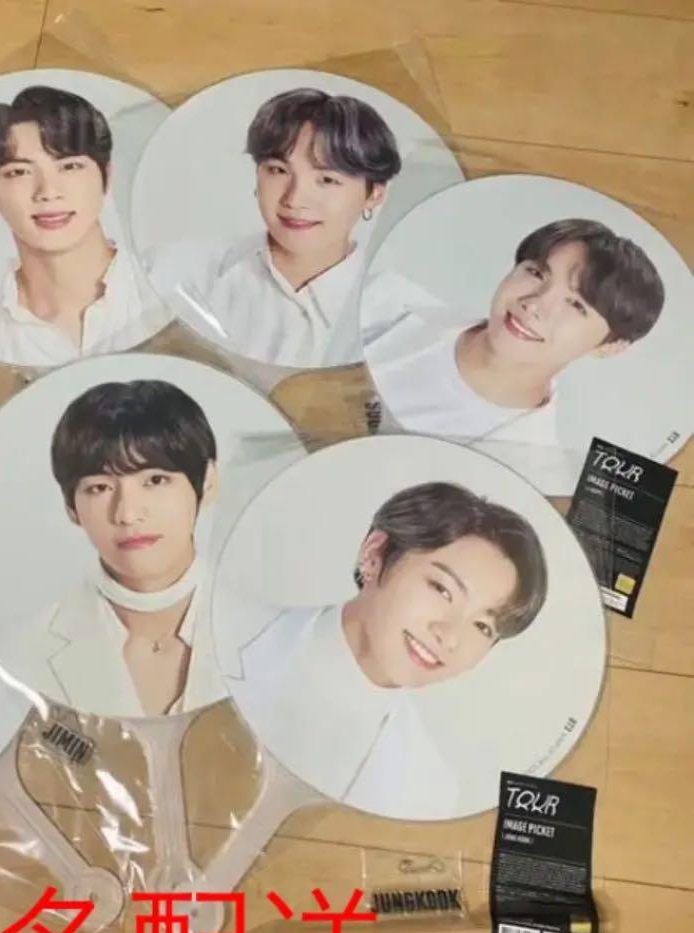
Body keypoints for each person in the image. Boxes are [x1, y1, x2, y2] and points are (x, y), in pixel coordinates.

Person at [226, 482, 548, 818]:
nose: (450, 636)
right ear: (374, 555)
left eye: (482, 626)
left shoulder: (429, 792)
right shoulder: (226, 623)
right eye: (442, 590)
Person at [362, 218, 666, 488]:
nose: (534, 304)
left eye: (576, 305)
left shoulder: (533, 478)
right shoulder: (383, 299)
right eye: (537, 273)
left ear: (610, 346)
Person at [0, 379, 222, 717]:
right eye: (99, 488)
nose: (127, 514)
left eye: (155, 480)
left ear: (208, 482)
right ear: (71, 507)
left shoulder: (279, 636)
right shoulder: (17, 654)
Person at [146, 88, 401, 368]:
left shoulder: (399, 316)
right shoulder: (174, 272)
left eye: (327, 180)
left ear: (374, 194)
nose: (295, 199)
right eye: (278, 170)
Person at [0, 85, 168, 366]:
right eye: (19, 172)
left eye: (69, 166)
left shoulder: (170, 286)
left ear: (106, 177)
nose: (48, 192)